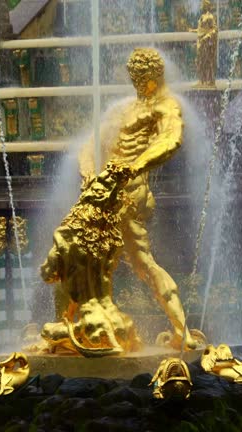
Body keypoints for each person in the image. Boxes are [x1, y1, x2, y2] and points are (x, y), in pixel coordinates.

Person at [78, 48, 199, 350]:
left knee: (142, 263)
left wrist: (132, 168)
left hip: (130, 193)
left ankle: (181, 331)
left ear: (156, 76)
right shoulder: (122, 109)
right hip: (101, 192)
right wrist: (89, 172)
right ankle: (77, 327)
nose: (139, 83)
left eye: (143, 77)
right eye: (134, 77)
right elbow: (90, 144)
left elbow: (170, 140)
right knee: (83, 256)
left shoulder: (167, 106)